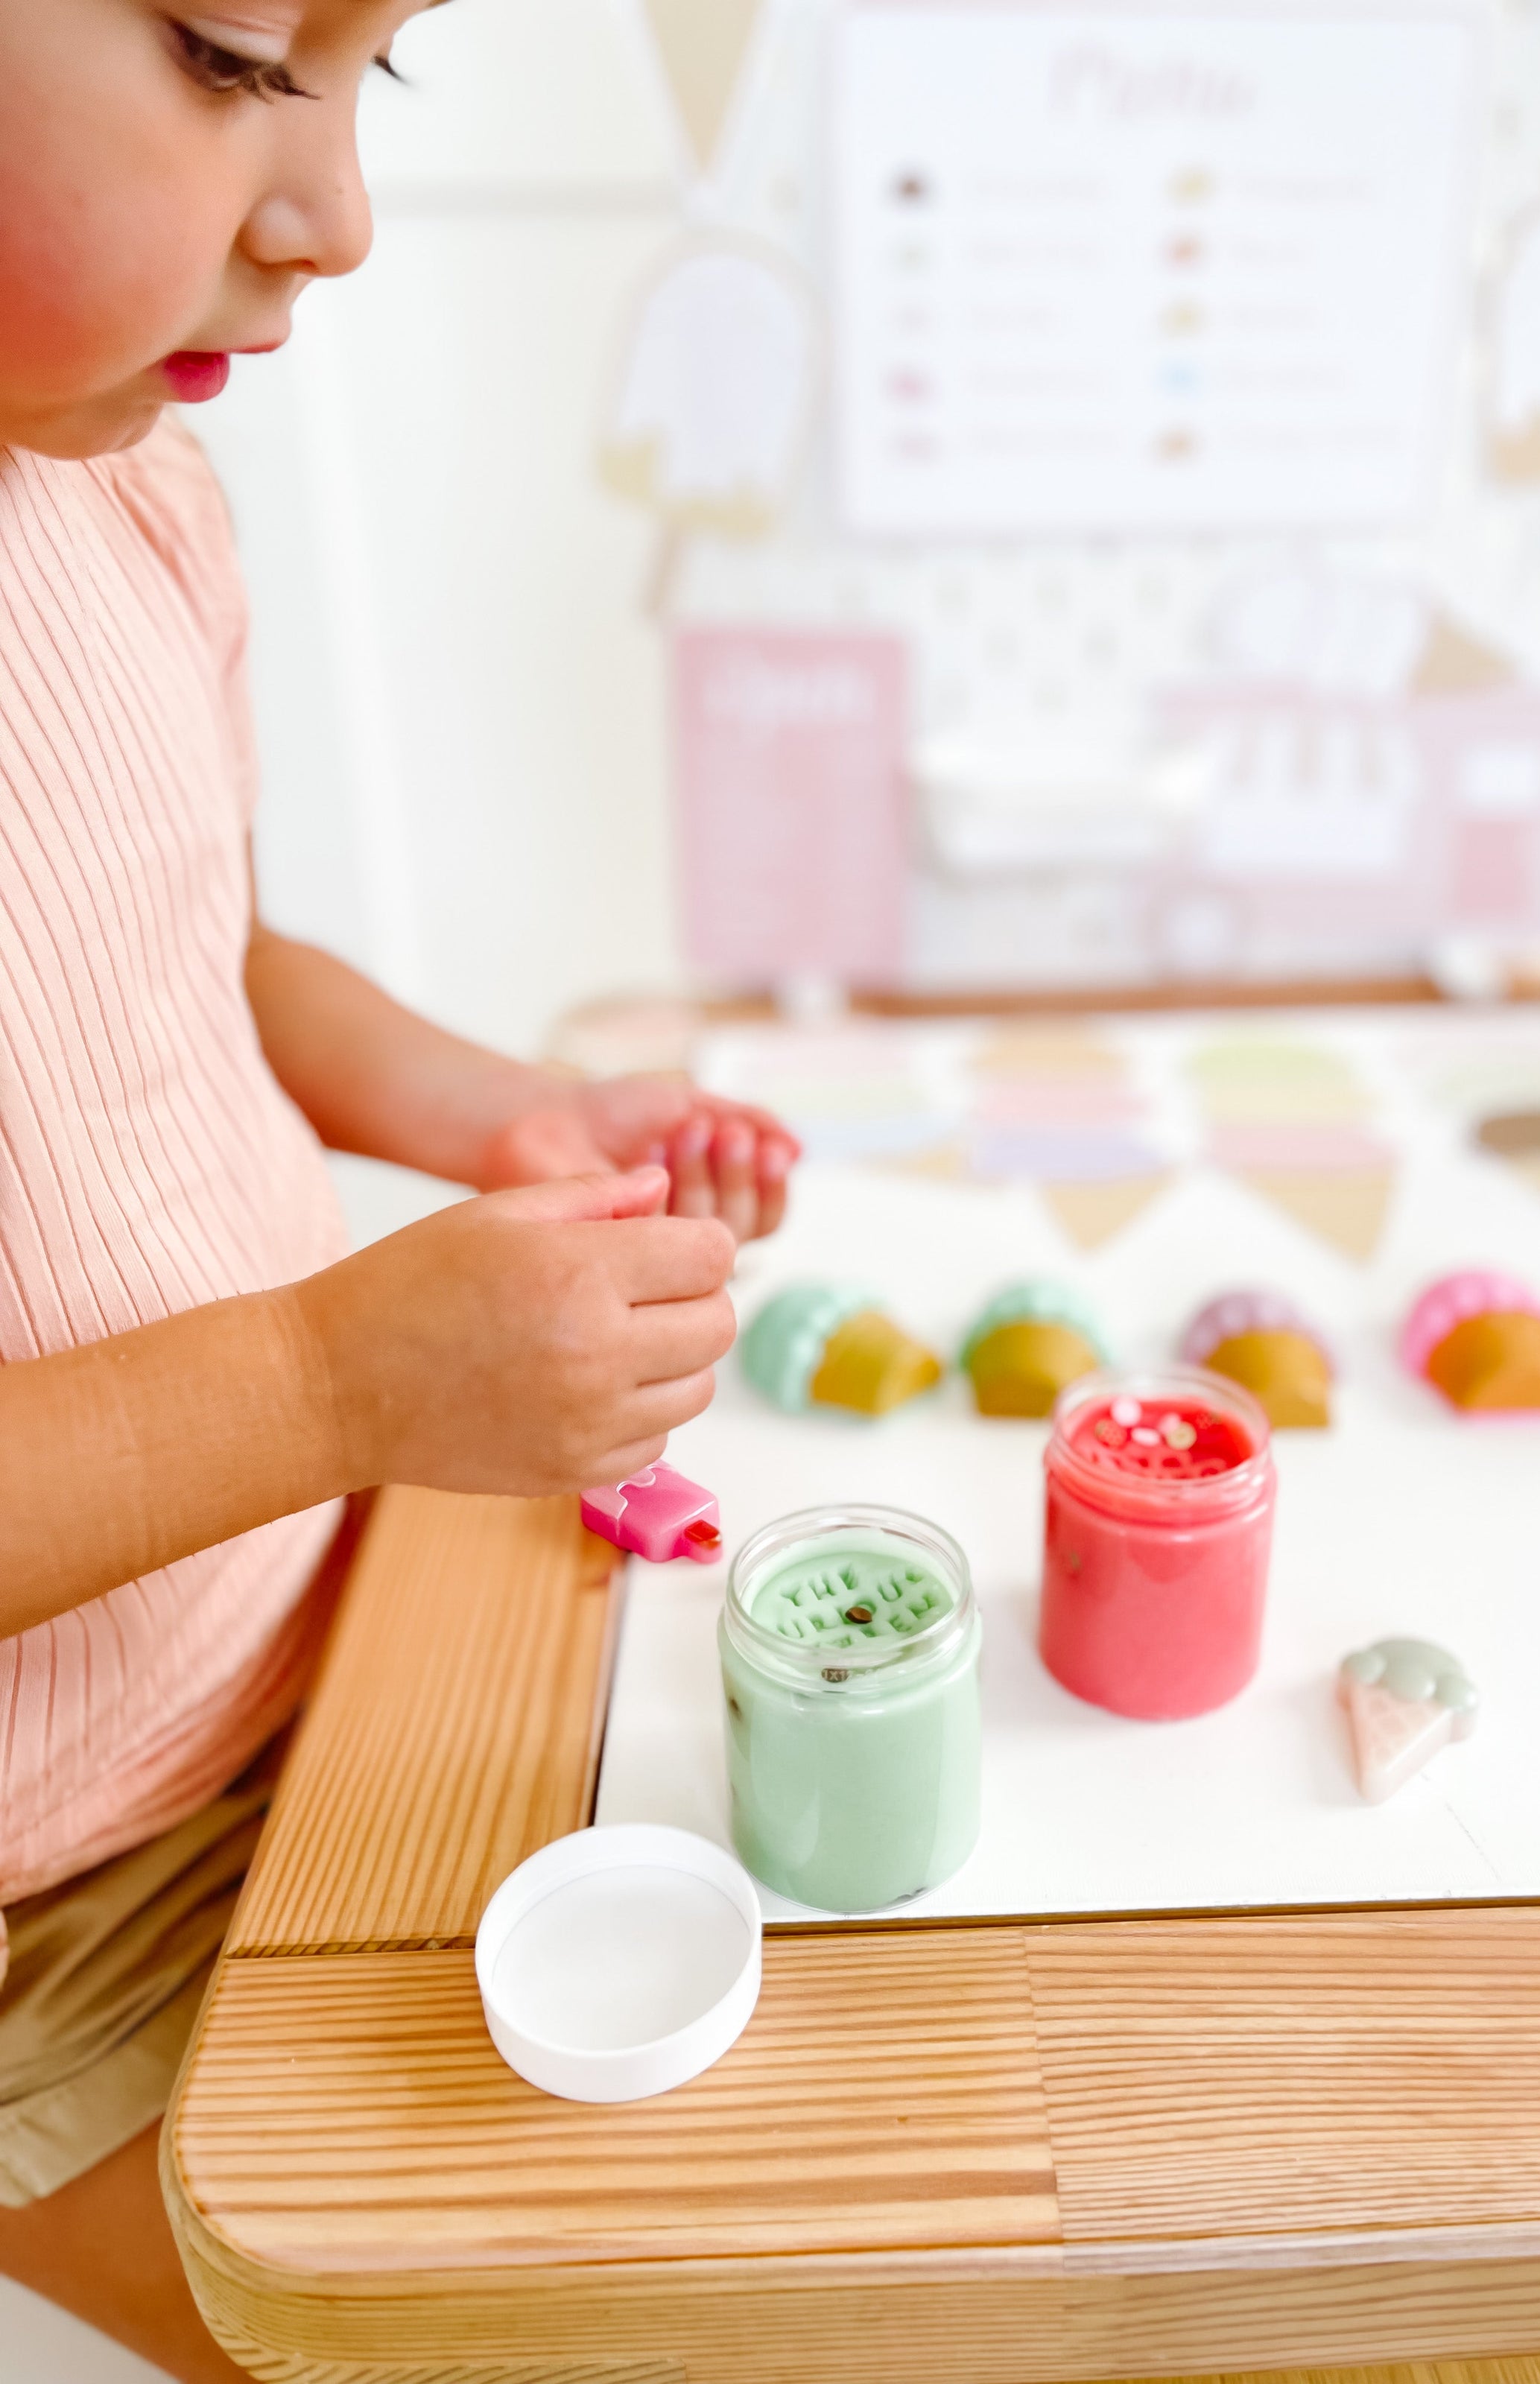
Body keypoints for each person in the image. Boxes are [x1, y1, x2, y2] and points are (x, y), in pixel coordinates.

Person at [0, 4, 798, 2372]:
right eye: (242, 57)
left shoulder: (120, 484)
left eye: (379, 77)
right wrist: (337, 1372)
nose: (336, 215)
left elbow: (193, 944)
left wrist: (498, 1117)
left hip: (325, 1627)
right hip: (60, 1884)